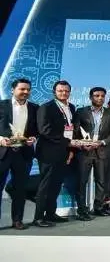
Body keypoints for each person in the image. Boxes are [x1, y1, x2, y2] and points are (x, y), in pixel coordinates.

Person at [33, 80, 80, 227]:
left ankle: (50, 213)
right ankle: (38, 217)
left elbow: (71, 129)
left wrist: (71, 148)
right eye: (60, 91)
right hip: (48, 152)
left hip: (64, 151)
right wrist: (67, 142)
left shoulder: (71, 107)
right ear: (54, 92)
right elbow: (44, 130)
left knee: (56, 184)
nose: (63, 93)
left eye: (66, 91)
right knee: (45, 185)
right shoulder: (46, 107)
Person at [75, 87, 110, 218]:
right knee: (82, 182)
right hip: (85, 151)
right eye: (96, 95)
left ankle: (99, 207)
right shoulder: (81, 112)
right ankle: (82, 210)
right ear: (91, 97)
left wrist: (103, 142)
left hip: (101, 150)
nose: (100, 98)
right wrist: (82, 144)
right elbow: (75, 131)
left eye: (102, 96)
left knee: (101, 181)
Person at [0, 78, 38, 230]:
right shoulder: (2, 105)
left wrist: (33, 138)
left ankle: (17, 220)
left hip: (23, 153)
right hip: (3, 152)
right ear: (13, 90)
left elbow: (36, 129)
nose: (25, 92)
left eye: (28, 89)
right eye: (22, 89)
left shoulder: (35, 108)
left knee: (20, 189)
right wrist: (0, 139)